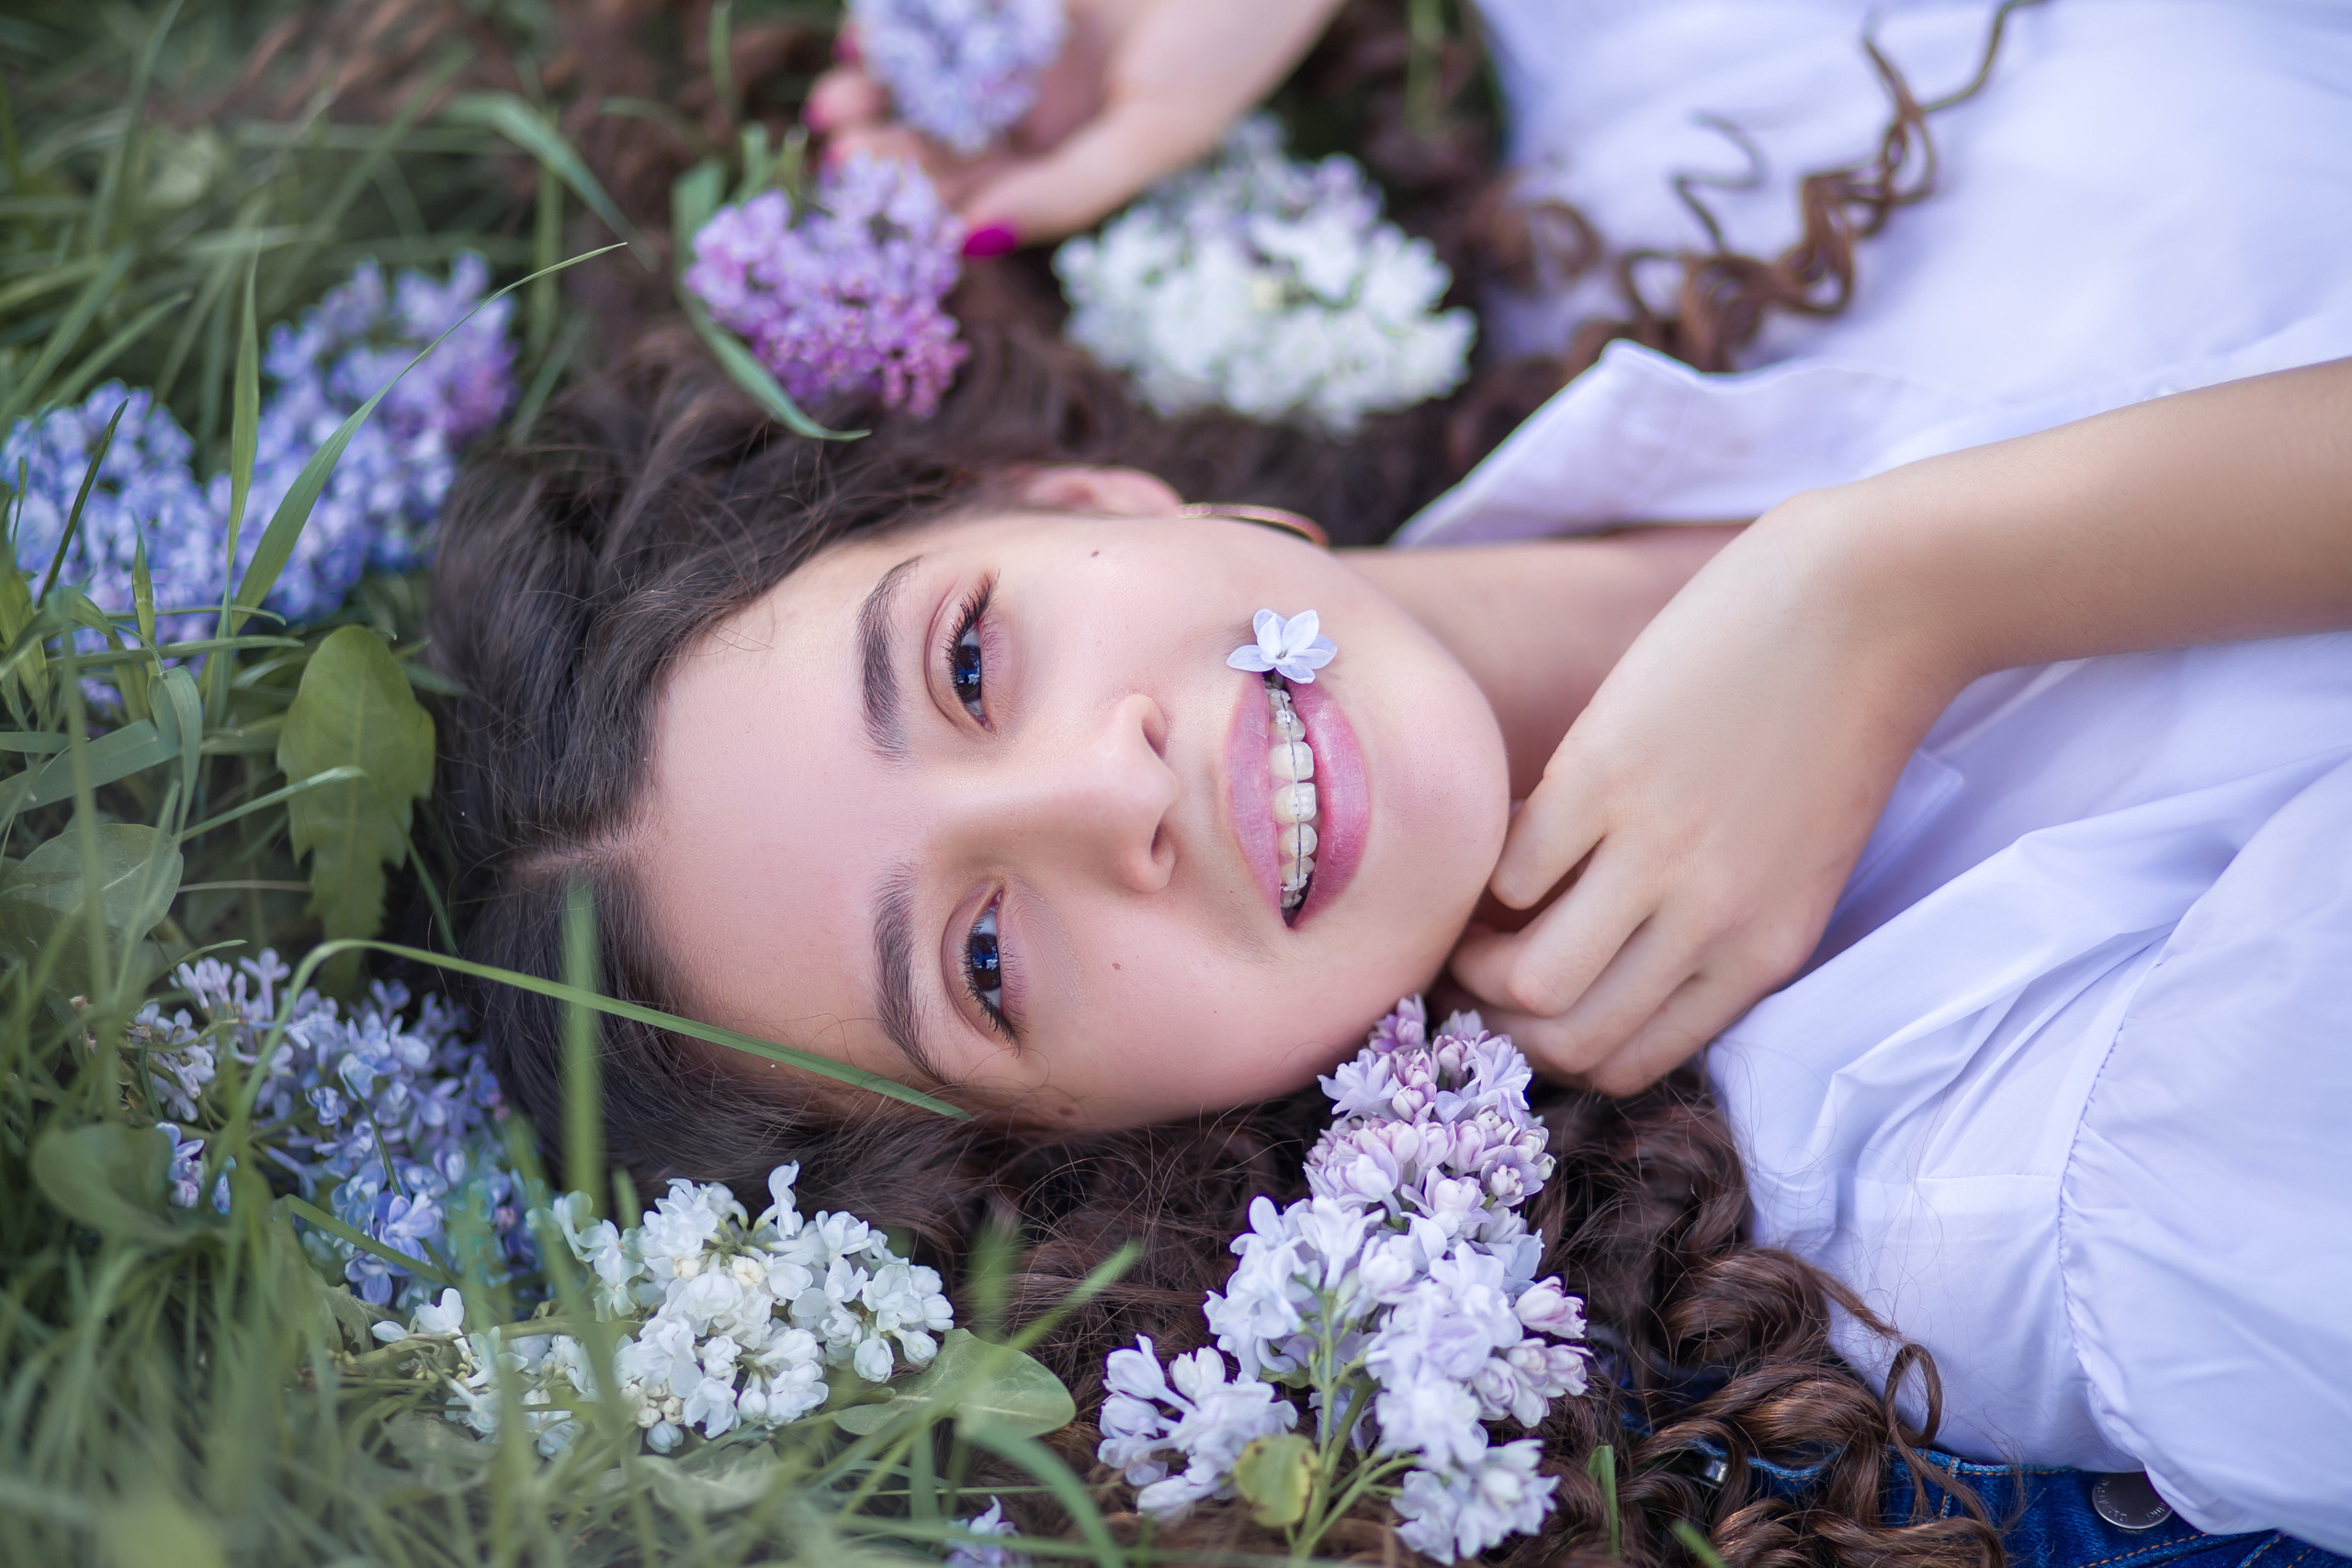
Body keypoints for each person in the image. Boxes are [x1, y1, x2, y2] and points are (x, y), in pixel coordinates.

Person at [429, 1, 2352, 1560]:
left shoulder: (1674, 141)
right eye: (989, 961)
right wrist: (1897, 591)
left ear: (1072, 499)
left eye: (967, 660)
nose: (1115, 791)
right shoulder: (2011, 1187)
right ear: (1093, 1142)